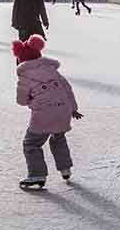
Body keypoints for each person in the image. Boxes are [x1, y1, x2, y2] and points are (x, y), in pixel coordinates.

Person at [12, 34, 82, 190]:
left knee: (31, 143)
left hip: (43, 114)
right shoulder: (53, 71)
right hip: (63, 110)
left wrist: (31, 101)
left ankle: (37, 175)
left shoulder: (24, 76)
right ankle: (65, 169)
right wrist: (73, 108)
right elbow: (67, 89)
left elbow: (21, 101)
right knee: (58, 137)